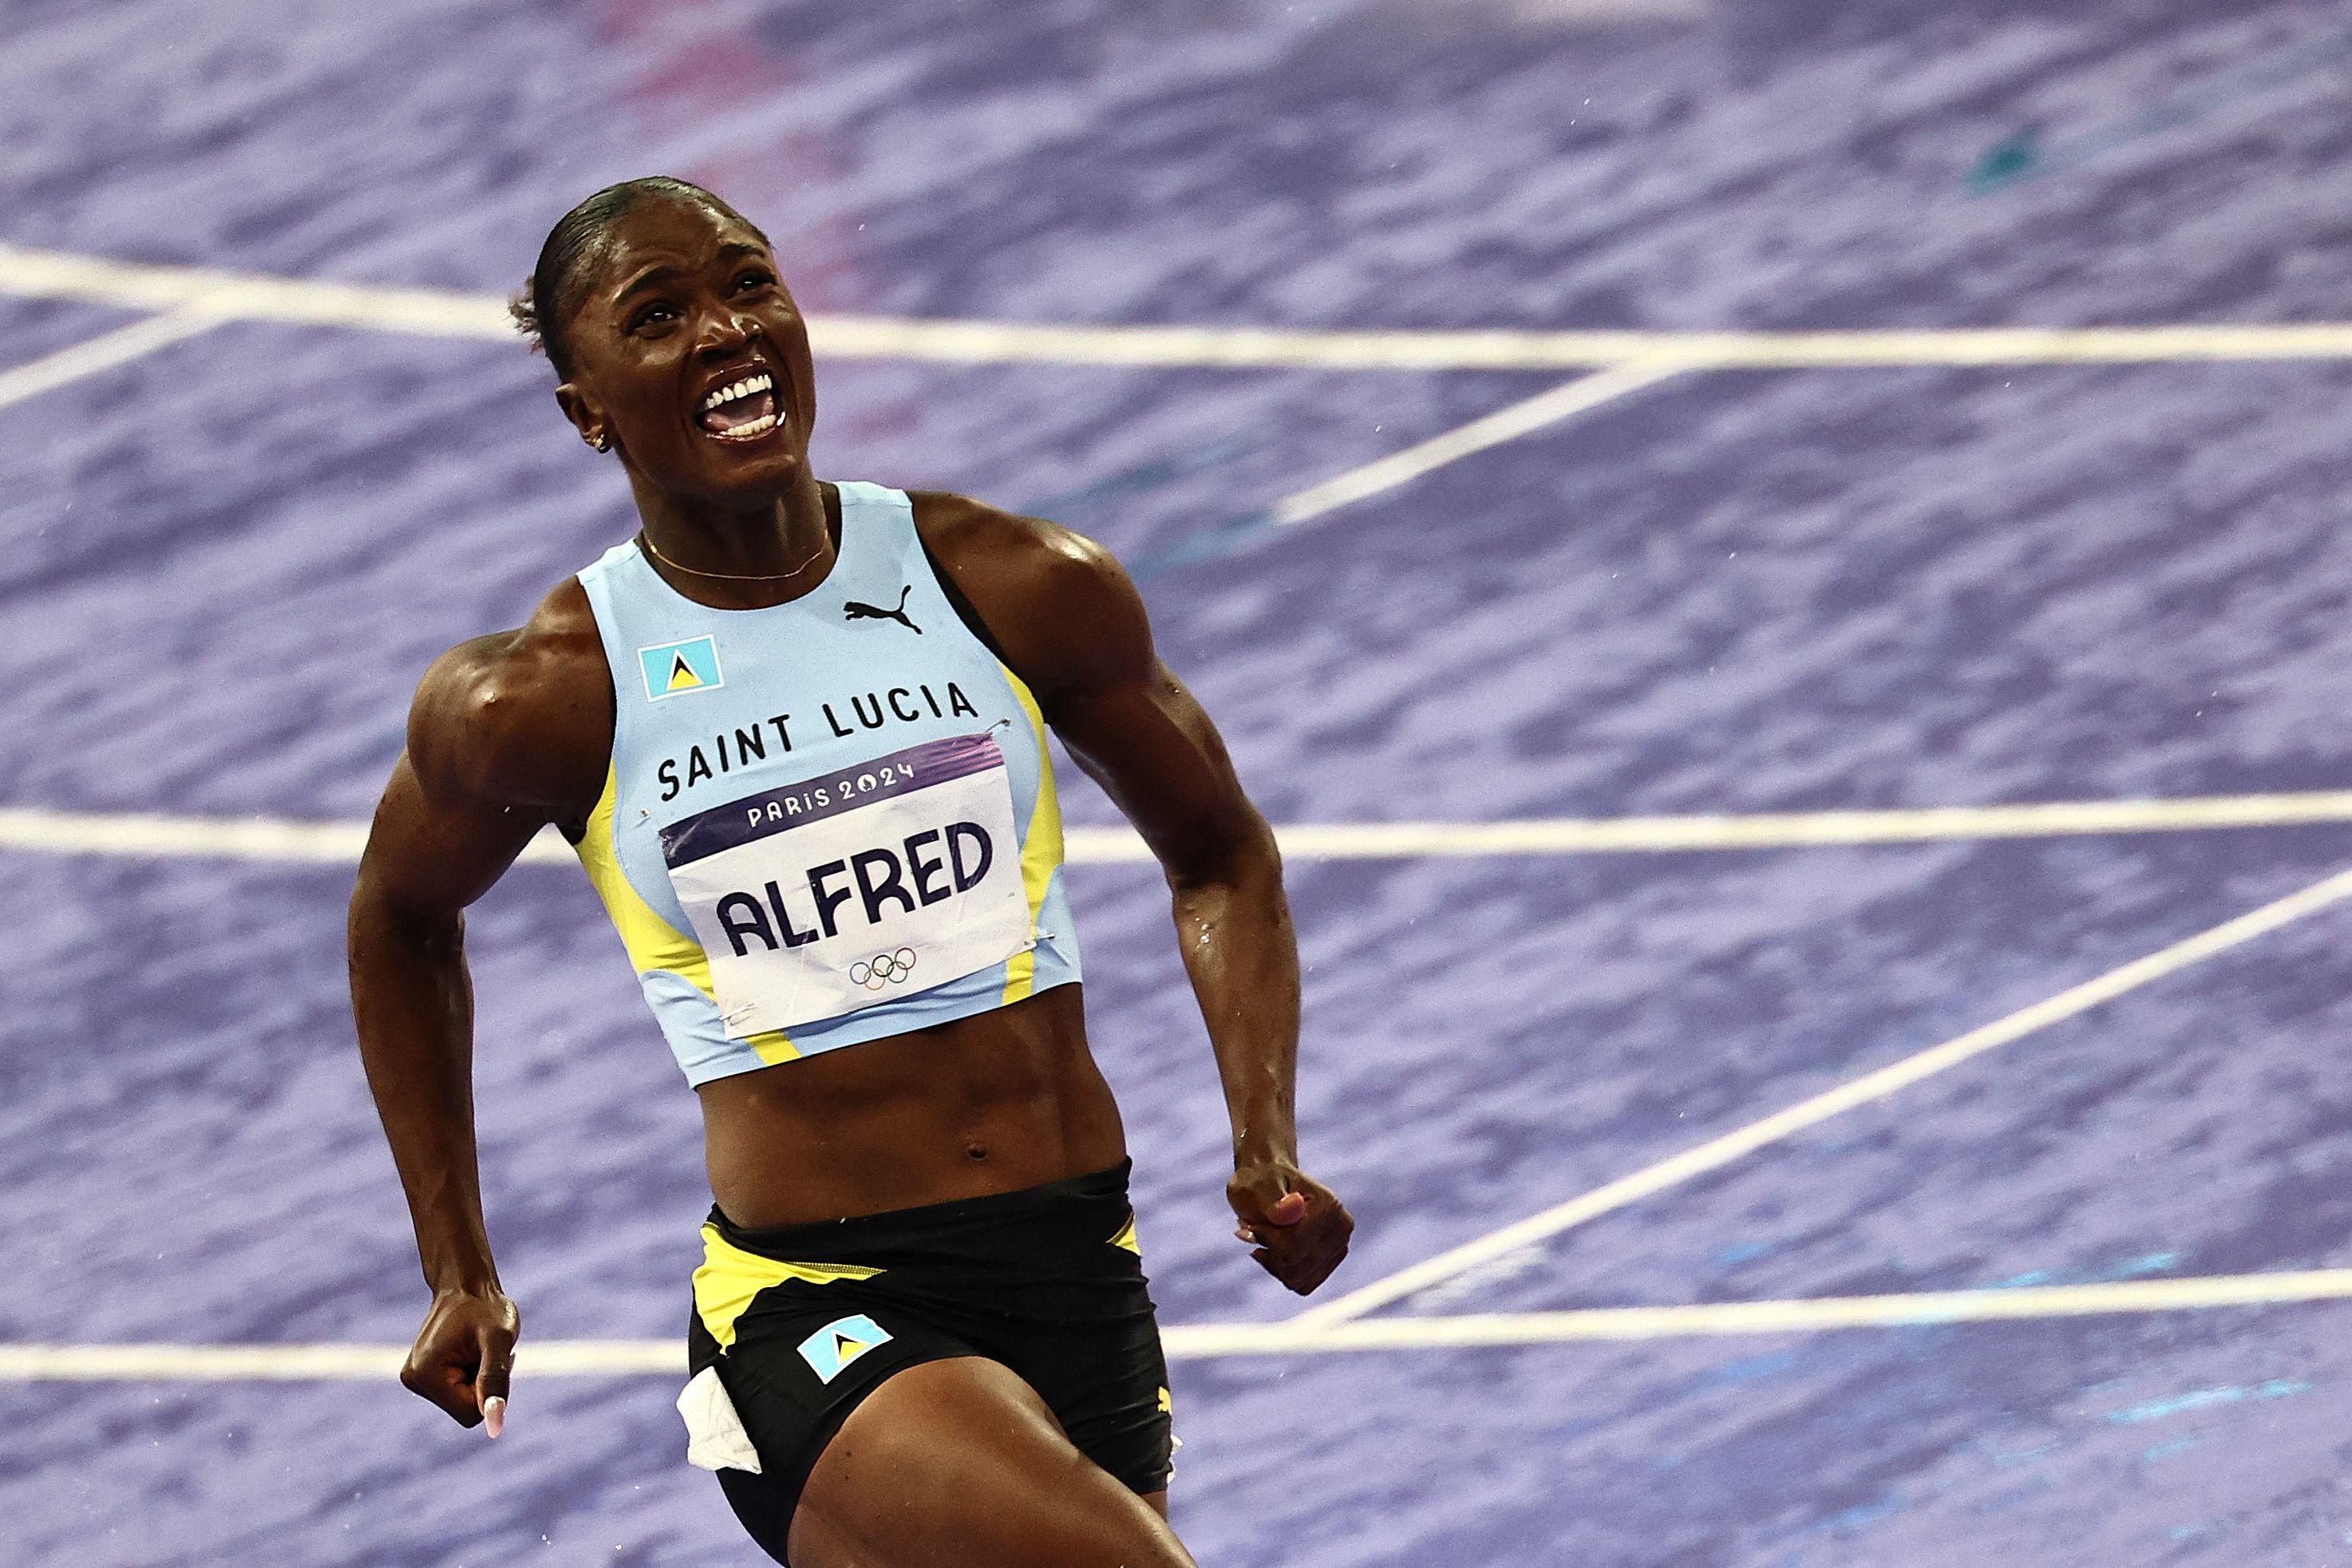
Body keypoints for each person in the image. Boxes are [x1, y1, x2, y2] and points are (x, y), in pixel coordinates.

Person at [347, 175, 1353, 1568]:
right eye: (660, 316)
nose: (724, 331)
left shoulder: (1010, 583)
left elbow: (1221, 852)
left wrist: (1263, 1133)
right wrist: (458, 1263)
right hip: (817, 1300)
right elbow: (400, 916)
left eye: (748, 284)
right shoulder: (544, 698)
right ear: (588, 409)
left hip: (1075, 1262)